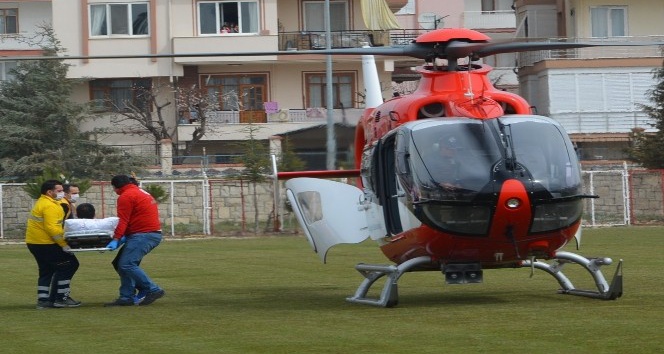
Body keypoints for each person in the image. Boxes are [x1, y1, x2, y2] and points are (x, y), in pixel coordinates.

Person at [105, 174, 165, 306]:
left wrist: (116, 238)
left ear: (115, 187)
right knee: (119, 263)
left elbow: (123, 220)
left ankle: (153, 289)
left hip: (143, 234)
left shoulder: (126, 196)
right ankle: (127, 297)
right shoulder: (140, 192)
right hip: (147, 233)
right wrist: (122, 237)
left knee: (127, 264)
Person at [25, 179, 81, 309]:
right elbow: (53, 229)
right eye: (59, 191)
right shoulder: (49, 206)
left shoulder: (44, 201)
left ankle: (43, 300)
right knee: (69, 265)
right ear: (49, 192)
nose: (62, 193)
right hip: (46, 243)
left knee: (46, 270)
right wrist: (64, 244)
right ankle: (61, 298)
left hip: (35, 242)